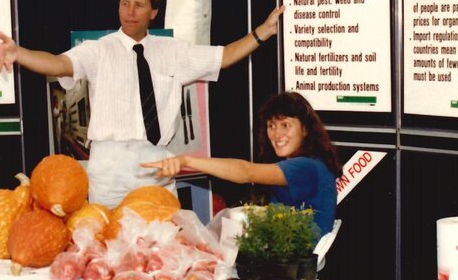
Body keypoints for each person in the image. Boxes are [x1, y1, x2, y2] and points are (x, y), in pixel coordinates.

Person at [0, 0, 284, 207]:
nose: (129, 12)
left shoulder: (173, 51)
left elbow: (224, 56)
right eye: (124, 3)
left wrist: (263, 32)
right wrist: (19, 53)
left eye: (139, 4)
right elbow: (57, 63)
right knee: (108, 248)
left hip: (156, 162)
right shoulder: (98, 50)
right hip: (108, 167)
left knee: (160, 246)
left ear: (153, 11)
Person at [141, 91, 341, 236]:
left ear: (305, 129)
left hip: (297, 262)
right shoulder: (301, 163)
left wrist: (186, 160)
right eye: (271, 126)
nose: (277, 134)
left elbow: (246, 172)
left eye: (285, 125)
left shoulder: (306, 167)